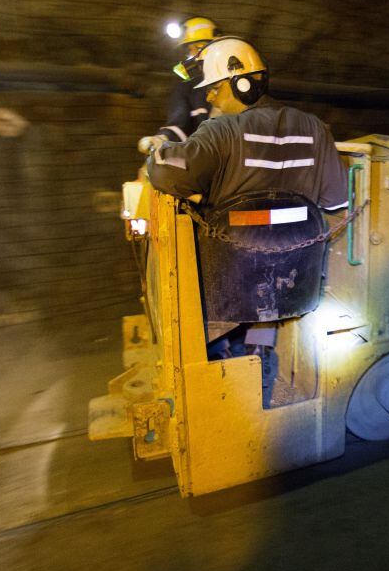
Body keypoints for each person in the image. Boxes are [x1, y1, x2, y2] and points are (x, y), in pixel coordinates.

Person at [144, 36, 348, 402]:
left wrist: (158, 150)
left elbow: (166, 173)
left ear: (242, 83)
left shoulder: (220, 132)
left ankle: (221, 352)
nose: (208, 98)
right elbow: (335, 200)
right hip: (294, 277)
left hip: (228, 280)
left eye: (214, 89)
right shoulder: (316, 129)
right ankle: (260, 346)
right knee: (266, 282)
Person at [156, 17, 218, 143]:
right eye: (189, 50)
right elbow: (178, 124)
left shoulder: (236, 82)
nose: (192, 56)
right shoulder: (187, 87)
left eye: (197, 48)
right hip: (203, 154)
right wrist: (162, 138)